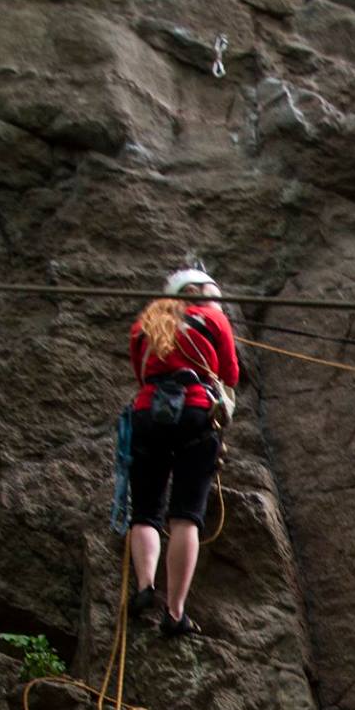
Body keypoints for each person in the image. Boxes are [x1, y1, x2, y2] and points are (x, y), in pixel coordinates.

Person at [126, 266, 239, 638]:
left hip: (148, 413)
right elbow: (230, 375)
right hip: (195, 413)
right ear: (203, 292)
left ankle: (144, 588)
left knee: (144, 510)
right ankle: (174, 613)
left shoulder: (146, 323)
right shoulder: (213, 318)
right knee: (186, 516)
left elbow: (141, 374)